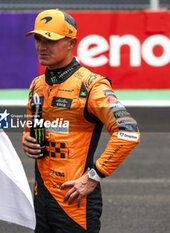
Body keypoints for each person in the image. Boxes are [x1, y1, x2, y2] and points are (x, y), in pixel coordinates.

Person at [22, 9, 140, 233]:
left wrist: (94, 175)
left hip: (75, 201)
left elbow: (128, 132)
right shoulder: (37, 84)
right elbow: (30, 128)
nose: (41, 46)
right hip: (41, 197)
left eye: (50, 40)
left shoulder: (92, 86)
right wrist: (26, 138)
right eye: (38, 38)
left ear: (71, 43)